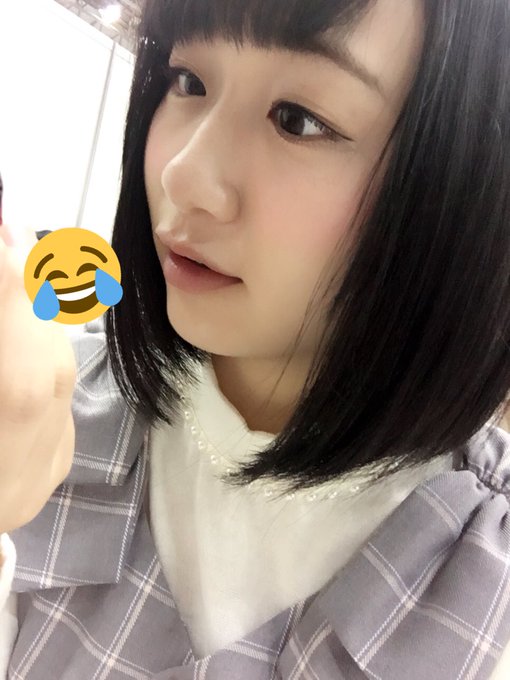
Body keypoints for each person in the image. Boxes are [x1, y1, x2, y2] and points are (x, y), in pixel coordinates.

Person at [0, 0, 509, 676]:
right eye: (187, 80)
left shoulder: (481, 594)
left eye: (297, 120)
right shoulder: (43, 416)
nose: (183, 174)